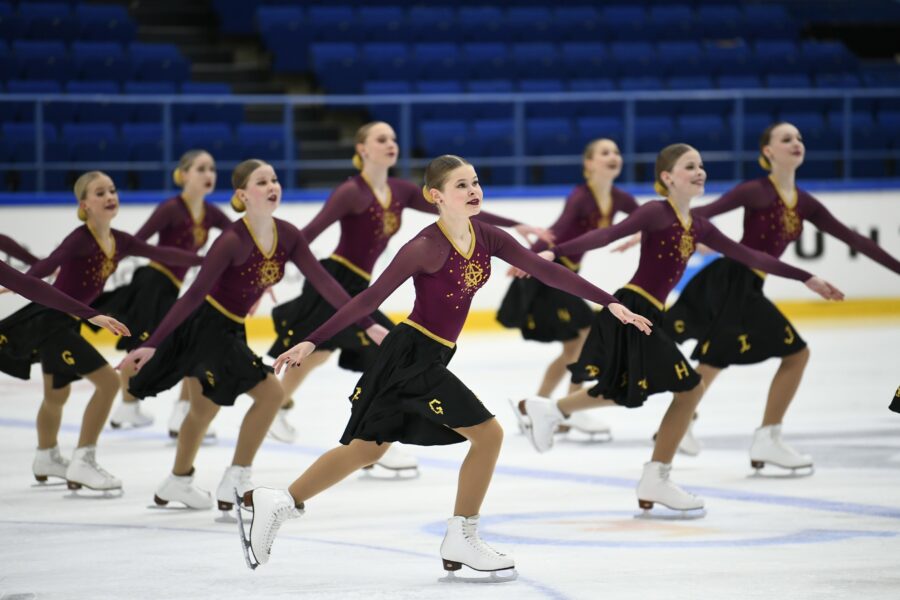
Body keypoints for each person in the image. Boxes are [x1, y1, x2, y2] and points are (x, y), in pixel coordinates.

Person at [238, 155, 651, 577]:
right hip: (412, 356)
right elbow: (368, 299)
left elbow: (546, 270)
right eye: (461, 186)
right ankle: (462, 536)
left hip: (428, 355)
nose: (474, 191)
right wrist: (311, 340)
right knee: (488, 435)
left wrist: (611, 302)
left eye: (475, 182)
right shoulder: (423, 247)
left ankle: (281, 501)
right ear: (436, 196)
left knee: (366, 448)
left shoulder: (488, 236)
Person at [517, 144, 843, 514]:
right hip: (632, 306)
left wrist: (807, 277)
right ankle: (655, 477)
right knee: (688, 389)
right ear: (667, 178)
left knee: (630, 386)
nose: (700, 171)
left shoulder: (701, 226)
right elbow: (606, 235)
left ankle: (553, 411)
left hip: (651, 312)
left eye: (701, 165)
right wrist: (551, 253)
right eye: (690, 166)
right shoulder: (656, 212)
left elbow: (753, 257)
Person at [266, 122, 549, 471]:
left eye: (394, 139)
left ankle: (363, 436)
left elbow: (460, 204)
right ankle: (368, 437)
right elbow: (309, 232)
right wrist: (271, 261)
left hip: (361, 283)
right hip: (337, 278)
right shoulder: (351, 192)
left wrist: (513, 223)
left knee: (326, 354)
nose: (391, 144)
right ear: (362, 149)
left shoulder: (400, 190)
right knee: (367, 351)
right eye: (381, 139)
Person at [119, 159, 388, 518]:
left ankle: (178, 479)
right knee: (271, 393)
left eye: (274, 179)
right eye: (262, 181)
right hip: (207, 328)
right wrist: (152, 343)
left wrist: (367, 323)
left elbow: (326, 283)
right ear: (243, 195)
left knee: (202, 410)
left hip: (230, 328)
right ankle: (237, 478)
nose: (272, 185)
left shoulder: (288, 235)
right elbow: (193, 295)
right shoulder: (231, 240)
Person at [664, 122, 900, 470]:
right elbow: (697, 213)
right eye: (786, 139)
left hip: (745, 284)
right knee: (796, 354)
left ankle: (684, 425)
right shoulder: (755, 191)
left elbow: (857, 241)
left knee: (716, 359)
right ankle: (764, 438)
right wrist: (650, 228)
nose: (796, 143)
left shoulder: (805, 203)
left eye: (800, 138)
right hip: (733, 280)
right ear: (768, 152)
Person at [0, 172, 202, 490]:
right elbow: (49, 265)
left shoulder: (120, 240)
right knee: (108, 383)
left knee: (57, 394)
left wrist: (208, 260)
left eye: (112, 190)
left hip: (65, 321)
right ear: (85, 205)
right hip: (51, 320)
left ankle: (46, 456)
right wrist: (17, 280)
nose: (109, 196)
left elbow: (163, 254)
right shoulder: (80, 239)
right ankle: (83, 460)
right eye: (99, 193)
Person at [498, 138, 638, 439]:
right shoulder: (580, 197)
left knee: (572, 348)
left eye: (616, 151)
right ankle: (570, 409)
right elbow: (556, 231)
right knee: (584, 339)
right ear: (589, 164)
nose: (613, 156)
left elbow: (643, 219)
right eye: (604, 153)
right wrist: (527, 257)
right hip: (548, 275)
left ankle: (535, 410)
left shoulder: (619, 197)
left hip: (567, 277)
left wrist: (641, 236)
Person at [94, 150, 231, 432]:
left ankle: (156, 410)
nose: (209, 174)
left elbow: (239, 236)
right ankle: (134, 407)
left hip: (173, 288)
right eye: (201, 168)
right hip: (152, 284)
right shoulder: (171, 208)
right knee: (147, 342)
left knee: (186, 342)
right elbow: (135, 241)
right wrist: (99, 268)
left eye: (212, 169)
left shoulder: (212, 213)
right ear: (183, 175)